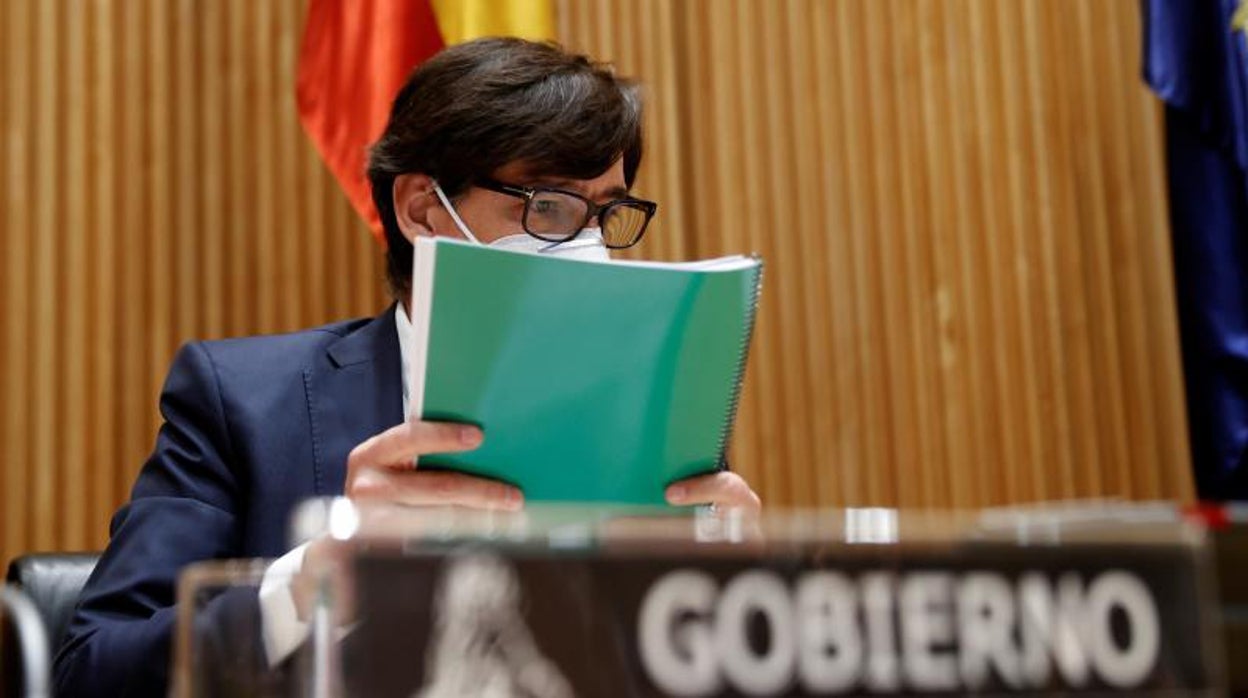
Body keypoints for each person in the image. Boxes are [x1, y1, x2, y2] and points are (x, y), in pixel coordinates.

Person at [52, 37, 760, 695]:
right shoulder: (242, 402)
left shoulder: (649, 413)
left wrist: (742, 608)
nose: (589, 250)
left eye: (605, 213)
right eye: (547, 206)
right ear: (422, 210)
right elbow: (93, 671)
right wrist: (316, 578)